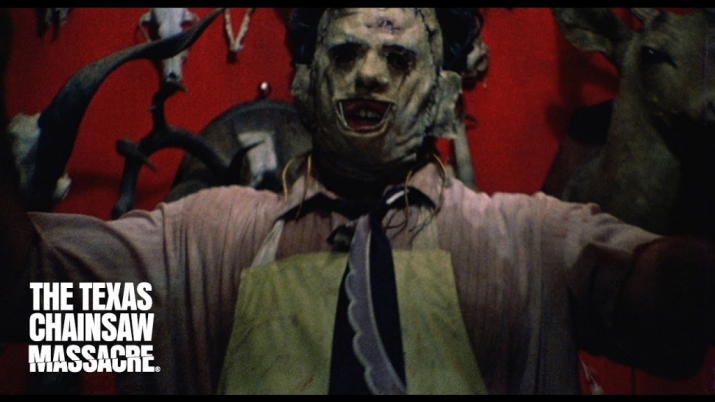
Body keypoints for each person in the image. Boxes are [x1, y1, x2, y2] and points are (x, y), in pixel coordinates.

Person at [1, 7, 714, 395]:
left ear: (442, 89)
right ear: (305, 78)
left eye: (399, 59)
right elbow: (31, 307)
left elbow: (672, 333)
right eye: (344, 54)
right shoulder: (200, 249)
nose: (369, 75)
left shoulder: (528, 246)